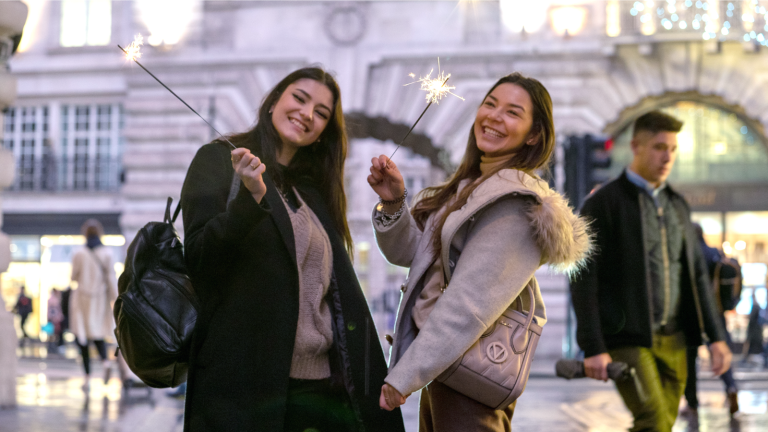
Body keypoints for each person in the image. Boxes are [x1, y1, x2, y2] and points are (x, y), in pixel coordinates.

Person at [180, 67, 404, 432]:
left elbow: (337, 293)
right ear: (273, 102)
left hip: (319, 389)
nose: (307, 114)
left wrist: (394, 205)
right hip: (244, 389)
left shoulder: (312, 188)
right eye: (299, 99)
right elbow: (201, 262)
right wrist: (249, 200)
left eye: (321, 113)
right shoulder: (219, 160)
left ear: (323, 132)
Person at [368, 73, 592, 431]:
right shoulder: (470, 187)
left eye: (512, 112)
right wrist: (394, 201)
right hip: (449, 367)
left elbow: (469, 304)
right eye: (490, 104)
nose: (494, 116)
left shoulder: (516, 202)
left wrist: (405, 375)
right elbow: (412, 253)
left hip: (471, 374)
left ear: (533, 134)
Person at [570, 111, 732, 432]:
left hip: (677, 338)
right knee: (653, 420)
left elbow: (698, 277)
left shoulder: (677, 205)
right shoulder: (603, 204)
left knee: (661, 424)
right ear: (636, 146)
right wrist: (593, 345)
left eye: (672, 149)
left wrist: (717, 338)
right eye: (659, 147)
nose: (667, 157)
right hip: (628, 337)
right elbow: (584, 279)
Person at [682, 224, 739, 416]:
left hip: (690, 316)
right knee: (721, 354)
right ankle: (730, 387)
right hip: (715, 315)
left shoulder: (689, 255)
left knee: (690, 361)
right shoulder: (715, 253)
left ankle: (692, 402)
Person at [70, 219, 118, 390]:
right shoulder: (107, 253)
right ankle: (105, 362)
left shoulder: (79, 253)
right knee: (98, 335)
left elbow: (73, 277)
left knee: (82, 337)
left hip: (82, 299)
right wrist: (117, 299)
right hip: (100, 299)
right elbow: (111, 278)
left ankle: (87, 378)